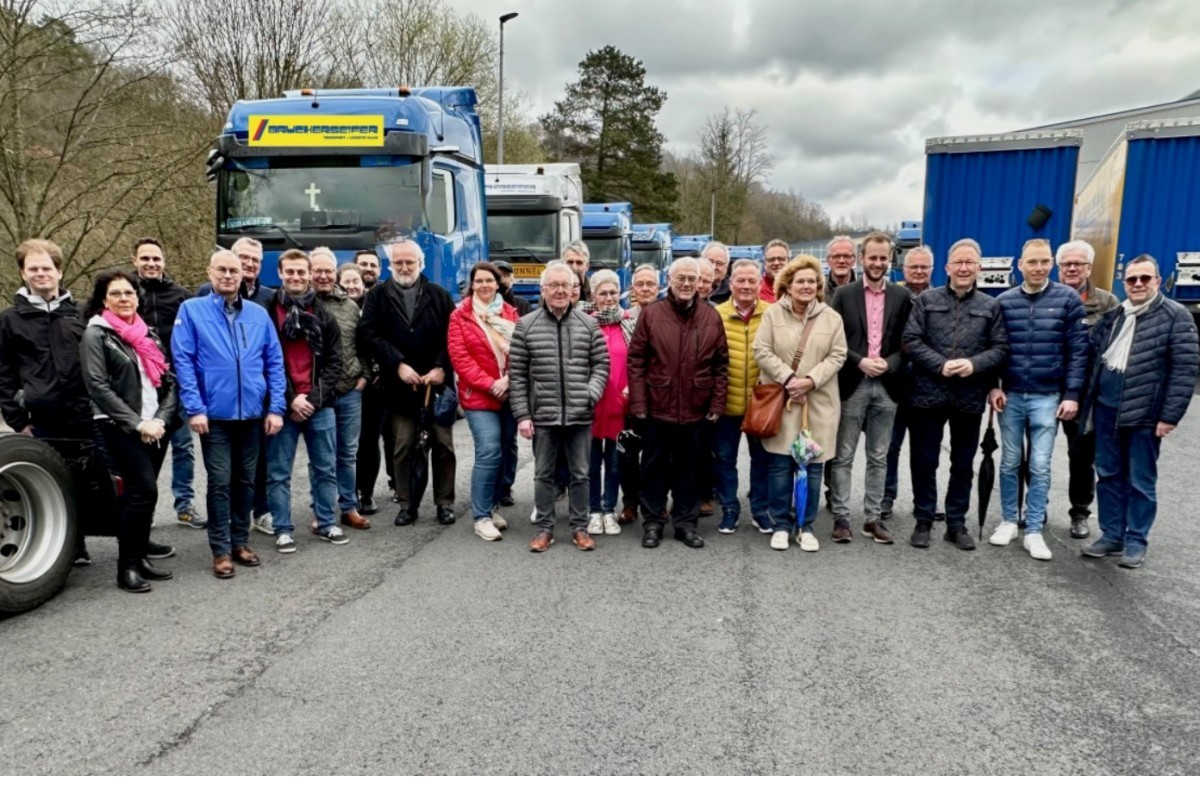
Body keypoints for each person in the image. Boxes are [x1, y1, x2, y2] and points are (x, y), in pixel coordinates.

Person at [0, 239, 171, 566]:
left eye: (47, 268)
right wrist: (17, 419)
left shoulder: (80, 314)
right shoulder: (9, 320)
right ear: (22, 273)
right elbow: (5, 374)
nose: (41, 274)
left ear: (59, 271)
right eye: (33, 269)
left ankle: (135, 541)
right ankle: (72, 547)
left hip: (89, 414)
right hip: (43, 417)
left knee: (116, 482)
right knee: (56, 484)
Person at [172, 250, 286, 579]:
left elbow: (274, 362)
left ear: (243, 275)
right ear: (210, 272)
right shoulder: (191, 311)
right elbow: (184, 362)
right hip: (215, 416)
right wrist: (194, 408)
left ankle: (240, 541)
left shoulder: (257, 314)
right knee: (220, 483)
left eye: (233, 270)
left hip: (252, 414)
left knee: (246, 481)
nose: (227, 275)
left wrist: (276, 407)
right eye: (221, 269)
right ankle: (220, 549)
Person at [1080, 254, 1199, 568]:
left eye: (1145, 278)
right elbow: (1094, 358)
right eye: (1132, 279)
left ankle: (1136, 541)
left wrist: (1169, 416)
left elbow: (1184, 370)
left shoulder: (1176, 316)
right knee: (1107, 476)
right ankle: (1112, 536)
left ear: (1158, 281)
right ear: (1125, 282)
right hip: (1106, 411)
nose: (1138, 284)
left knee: (1140, 481)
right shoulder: (1115, 315)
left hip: (1145, 415)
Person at [902, 238, 1009, 550]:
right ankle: (923, 519)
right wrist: (941, 365)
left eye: (970, 263)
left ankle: (956, 523)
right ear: (947, 268)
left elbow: (1001, 347)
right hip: (927, 393)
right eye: (958, 263)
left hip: (969, 396)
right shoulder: (926, 301)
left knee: (963, 464)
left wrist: (974, 365)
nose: (964, 268)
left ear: (979, 267)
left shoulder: (991, 306)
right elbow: (911, 340)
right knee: (924, 460)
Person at [987, 239, 1087, 562]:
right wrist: (993, 386)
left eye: (1045, 261)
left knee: (1041, 465)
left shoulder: (1068, 300)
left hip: (1048, 396)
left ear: (1051, 264)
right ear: (1020, 265)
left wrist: (1071, 395)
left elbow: (1078, 352)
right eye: (1033, 262)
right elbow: (993, 349)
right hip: (1012, 395)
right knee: (1010, 461)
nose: (1039, 267)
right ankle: (1007, 521)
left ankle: (1033, 530)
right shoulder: (1003, 302)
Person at [80, 269, 179, 593]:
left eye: (129, 293)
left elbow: (168, 380)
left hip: (156, 425)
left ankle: (139, 558)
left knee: (141, 497)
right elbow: (97, 386)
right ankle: (127, 568)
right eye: (116, 294)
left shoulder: (147, 333)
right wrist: (138, 424)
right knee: (142, 492)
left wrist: (161, 420)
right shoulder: (97, 334)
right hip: (119, 425)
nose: (124, 298)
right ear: (104, 300)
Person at [628, 257, 729, 549]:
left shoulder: (711, 317)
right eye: (680, 278)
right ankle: (653, 523)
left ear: (700, 282)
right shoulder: (652, 315)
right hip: (657, 407)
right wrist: (638, 405)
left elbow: (721, 365)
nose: (686, 283)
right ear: (669, 280)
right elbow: (636, 362)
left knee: (690, 470)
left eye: (691, 278)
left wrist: (717, 404)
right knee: (653, 469)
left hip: (697, 409)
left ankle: (686, 524)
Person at [509, 262, 609, 553]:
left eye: (566, 285)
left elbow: (601, 365)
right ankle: (544, 528)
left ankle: (580, 527)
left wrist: (590, 394)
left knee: (581, 473)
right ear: (543, 290)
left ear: (574, 290)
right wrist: (522, 415)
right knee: (543, 475)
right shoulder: (525, 325)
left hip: (580, 414)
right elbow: (517, 375)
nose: (560, 290)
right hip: (543, 416)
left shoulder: (589, 324)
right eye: (554, 285)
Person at [358, 239, 457, 527]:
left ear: (420, 264)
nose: (404, 267)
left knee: (443, 445)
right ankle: (406, 504)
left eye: (409, 262)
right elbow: (368, 334)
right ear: (391, 265)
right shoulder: (377, 295)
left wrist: (441, 367)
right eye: (398, 262)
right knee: (402, 446)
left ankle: (444, 503)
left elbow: (453, 336)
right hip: (398, 386)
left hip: (435, 387)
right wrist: (397, 363)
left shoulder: (439, 295)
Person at [753, 255, 846, 551]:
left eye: (811, 281)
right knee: (780, 466)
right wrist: (790, 379)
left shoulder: (831, 318)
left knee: (813, 468)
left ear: (818, 286)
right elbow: (762, 350)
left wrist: (810, 380)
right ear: (788, 286)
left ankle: (805, 526)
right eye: (799, 281)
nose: (806, 286)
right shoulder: (772, 315)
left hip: (818, 403)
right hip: (784, 401)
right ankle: (781, 524)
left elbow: (838, 355)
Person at [827, 231, 913, 545]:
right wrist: (860, 361)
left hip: (887, 386)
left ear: (890, 259)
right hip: (853, 382)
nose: (877, 263)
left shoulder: (902, 297)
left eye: (882, 258)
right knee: (844, 456)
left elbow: (908, 342)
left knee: (879, 456)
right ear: (861, 260)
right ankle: (841, 518)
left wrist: (889, 363)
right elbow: (833, 341)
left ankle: (872, 519)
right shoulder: (844, 295)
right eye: (872, 257)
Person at [261, 249, 346, 552]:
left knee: (325, 468)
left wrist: (310, 399)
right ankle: (283, 528)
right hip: (281, 407)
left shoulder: (323, 314)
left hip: (318, 405)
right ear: (280, 274)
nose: (296, 277)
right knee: (279, 472)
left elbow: (336, 362)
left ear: (309, 274)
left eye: (301, 272)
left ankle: (326, 522)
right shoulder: (267, 312)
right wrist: (290, 399)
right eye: (290, 272)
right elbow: (263, 361)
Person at [131, 237, 206, 531]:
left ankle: (184, 505)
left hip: (177, 384)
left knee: (183, 446)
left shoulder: (181, 296)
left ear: (164, 262)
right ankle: (141, 510)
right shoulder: (126, 292)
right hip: (139, 386)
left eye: (156, 258)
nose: (151, 263)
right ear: (135, 260)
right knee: (142, 450)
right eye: (145, 258)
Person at [447, 261, 520, 541]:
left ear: (498, 283)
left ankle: (492, 506)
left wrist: (509, 380)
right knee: (489, 450)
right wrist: (491, 384)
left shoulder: (509, 312)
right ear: (472, 285)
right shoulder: (460, 316)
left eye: (490, 280)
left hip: (509, 392)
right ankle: (480, 517)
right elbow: (460, 359)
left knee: (503, 450)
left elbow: (521, 350)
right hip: (478, 395)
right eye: (479, 281)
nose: (485, 285)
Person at [1056, 240, 1119, 539]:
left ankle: (1080, 512)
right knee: (1032, 455)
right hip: (1046, 388)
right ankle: (1031, 510)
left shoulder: (1107, 304)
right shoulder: (1044, 298)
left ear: (1089, 268)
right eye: (1066, 263)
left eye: (1078, 263)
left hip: (1084, 395)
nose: (1071, 268)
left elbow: (1116, 352)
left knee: (1081, 456)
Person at [311, 248, 370, 533]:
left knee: (348, 453)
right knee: (321, 456)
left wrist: (365, 377)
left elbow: (364, 345)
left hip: (349, 390)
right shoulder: (303, 304)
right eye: (317, 270)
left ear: (335, 273)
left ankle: (348, 507)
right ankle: (321, 510)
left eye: (327, 271)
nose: (322, 276)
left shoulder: (350, 306)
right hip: (317, 394)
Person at [712, 259, 772, 535]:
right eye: (741, 281)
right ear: (730, 283)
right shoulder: (716, 315)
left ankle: (760, 509)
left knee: (762, 460)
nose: (746, 286)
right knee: (725, 460)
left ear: (760, 283)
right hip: (726, 404)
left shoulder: (772, 314)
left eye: (752, 281)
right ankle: (730, 508)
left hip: (761, 404)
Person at [882, 246, 935, 518]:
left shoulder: (941, 298)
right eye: (914, 267)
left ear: (932, 270)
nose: (918, 271)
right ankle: (885, 498)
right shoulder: (893, 297)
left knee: (926, 452)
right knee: (890, 446)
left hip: (930, 386)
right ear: (904, 269)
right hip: (896, 384)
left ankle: (924, 503)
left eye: (924, 267)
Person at [586, 269, 635, 536]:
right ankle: (593, 510)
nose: (608, 297)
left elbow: (638, 360)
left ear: (620, 294)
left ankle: (609, 510)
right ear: (594, 296)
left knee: (615, 462)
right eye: (603, 293)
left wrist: (632, 388)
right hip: (592, 402)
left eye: (613, 292)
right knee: (591, 463)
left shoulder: (629, 322)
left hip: (621, 404)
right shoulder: (585, 323)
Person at [617, 263, 662, 524]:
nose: (645, 288)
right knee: (628, 455)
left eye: (651, 284)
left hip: (658, 397)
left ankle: (655, 503)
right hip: (628, 397)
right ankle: (630, 503)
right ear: (632, 288)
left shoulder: (666, 315)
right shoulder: (623, 318)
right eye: (640, 284)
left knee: (658, 456)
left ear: (659, 288)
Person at [196, 237, 273, 305]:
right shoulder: (206, 291)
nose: (250, 264)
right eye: (244, 257)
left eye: (255, 260)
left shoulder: (269, 296)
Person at [562, 241, 592, 306]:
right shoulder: (552, 290)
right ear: (563, 264)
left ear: (587, 266)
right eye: (570, 262)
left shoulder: (595, 291)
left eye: (579, 263)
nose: (574, 267)